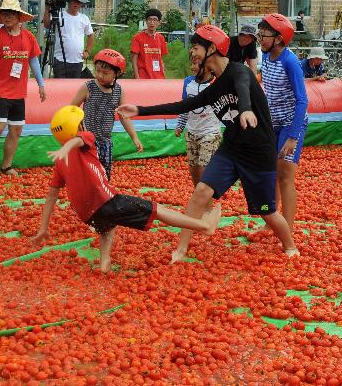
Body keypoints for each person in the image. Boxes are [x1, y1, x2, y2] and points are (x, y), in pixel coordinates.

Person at [117, 25, 299, 263]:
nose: (192, 53)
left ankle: (290, 246)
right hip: (232, 149)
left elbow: (243, 87)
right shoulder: (213, 89)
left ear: (212, 48)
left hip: (258, 152)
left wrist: (245, 110)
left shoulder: (238, 71)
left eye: (196, 47)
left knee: (267, 211)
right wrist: (140, 110)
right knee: (201, 191)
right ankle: (181, 249)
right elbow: (181, 106)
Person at [31, 105, 218, 274]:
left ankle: (105, 263)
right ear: (78, 128)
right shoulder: (86, 139)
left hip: (87, 214)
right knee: (157, 210)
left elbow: (50, 198)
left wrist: (43, 228)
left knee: (107, 226)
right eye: (82, 123)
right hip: (107, 201)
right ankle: (205, 226)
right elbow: (78, 140)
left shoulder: (59, 164)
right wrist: (67, 148)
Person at [0, 0, 46, 177]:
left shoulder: (29, 37)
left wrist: (41, 84)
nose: (7, 17)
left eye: (11, 14)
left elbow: (34, 62)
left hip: (18, 93)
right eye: (4, 14)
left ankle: (6, 166)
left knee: (15, 129)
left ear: (19, 17)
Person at [257, 13, 308, 232]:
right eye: (259, 35)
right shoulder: (266, 58)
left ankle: (287, 228)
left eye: (264, 35)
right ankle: (272, 223)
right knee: (271, 174)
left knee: (285, 175)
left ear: (278, 38)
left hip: (290, 124)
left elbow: (302, 100)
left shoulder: (290, 61)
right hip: (272, 123)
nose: (260, 39)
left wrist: (292, 136)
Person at [69, 49, 143, 179]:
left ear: (117, 74)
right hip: (87, 140)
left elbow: (123, 116)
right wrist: (76, 128)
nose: (100, 75)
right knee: (88, 174)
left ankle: (103, 197)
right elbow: (71, 108)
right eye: (97, 71)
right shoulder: (89, 87)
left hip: (106, 141)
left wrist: (135, 137)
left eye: (105, 73)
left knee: (104, 174)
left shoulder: (119, 91)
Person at [174, 57, 222, 187]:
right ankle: (199, 196)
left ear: (207, 66)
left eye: (196, 64)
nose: (193, 67)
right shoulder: (188, 82)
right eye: (192, 63)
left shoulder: (216, 84)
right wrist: (180, 125)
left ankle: (206, 199)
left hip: (210, 133)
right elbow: (185, 105)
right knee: (194, 168)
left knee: (204, 168)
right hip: (192, 132)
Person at [42, 0, 94, 78]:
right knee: (60, 88)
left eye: (78, 2)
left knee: (74, 89)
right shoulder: (59, 15)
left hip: (77, 61)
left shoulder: (84, 18)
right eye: (73, 1)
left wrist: (87, 51)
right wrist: (47, 9)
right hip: (60, 60)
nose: (76, 4)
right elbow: (47, 25)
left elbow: (91, 35)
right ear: (68, 2)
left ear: (81, 4)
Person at [130, 8, 168, 79]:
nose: (152, 22)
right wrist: (137, 77)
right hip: (143, 77)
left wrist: (163, 75)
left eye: (155, 20)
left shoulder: (161, 38)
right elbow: (134, 59)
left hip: (158, 77)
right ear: (146, 21)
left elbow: (161, 59)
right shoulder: (137, 38)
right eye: (150, 19)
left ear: (159, 22)